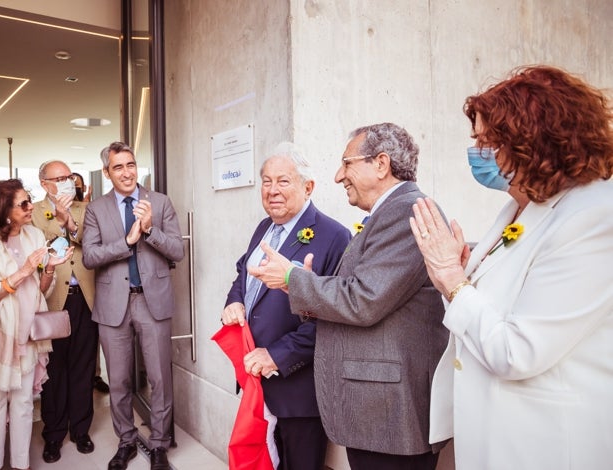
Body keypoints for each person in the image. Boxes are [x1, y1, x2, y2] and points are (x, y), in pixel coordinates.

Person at [409, 66, 613, 470]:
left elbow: (518, 351)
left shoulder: (594, 216)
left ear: (533, 141)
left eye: (490, 142)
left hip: (543, 443)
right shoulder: (521, 206)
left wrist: (453, 280)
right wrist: (464, 277)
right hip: (492, 431)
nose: (483, 154)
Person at [249, 123, 449, 470]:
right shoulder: (388, 214)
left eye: (347, 163)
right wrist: (305, 283)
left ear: (381, 164)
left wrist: (292, 279)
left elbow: (363, 299)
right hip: (379, 413)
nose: (339, 175)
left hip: (390, 415)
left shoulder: (405, 213)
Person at [221, 142, 350, 469]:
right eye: (266, 181)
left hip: (298, 391)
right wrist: (234, 301)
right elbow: (243, 272)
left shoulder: (334, 236)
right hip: (257, 381)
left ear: (308, 187)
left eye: (283, 181)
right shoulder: (264, 227)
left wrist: (276, 356)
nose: (272, 190)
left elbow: (335, 316)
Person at [83, 141, 184, 470]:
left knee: (159, 379)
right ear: (107, 172)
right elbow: (89, 256)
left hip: (152, 301)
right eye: (118, 167)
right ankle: (126, 440)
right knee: (121, 380)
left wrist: (150, 229)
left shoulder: (159, 202)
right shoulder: (96, 209)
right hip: (113, 305)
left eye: (130, 165)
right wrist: (126, 242)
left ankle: (158, 444)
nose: (126, 173)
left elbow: (177, 251)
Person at [0, 178, 73, 470]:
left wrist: (49, 269)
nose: (30, 207)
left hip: (30, 330)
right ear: (4, 211)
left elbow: (40, 291)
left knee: (25, 403)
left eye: (29, 200)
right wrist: (24, 270)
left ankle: (21, 465)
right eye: (23, 204)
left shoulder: (35, 235)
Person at [32, 161, 98, 463]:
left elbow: (90, 242)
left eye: (69, 177)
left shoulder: (88, 208)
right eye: (59, 178)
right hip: (52, 298)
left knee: (84, 366)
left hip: (85, 296)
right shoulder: (32, 211)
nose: (66, 182)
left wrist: (71, 222)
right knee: (55, 371)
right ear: (45, 183)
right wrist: (59, 222)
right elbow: (41, 249)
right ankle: (54, 433)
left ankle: (81, 429)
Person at [71, 171, 109, 394]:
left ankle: (94, 375)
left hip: (89, 285)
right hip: (58, 288)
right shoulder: (40, 212)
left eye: (77, 184)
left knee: (90, 341)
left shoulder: (92, 209)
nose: (73, 187)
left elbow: (95, 245)